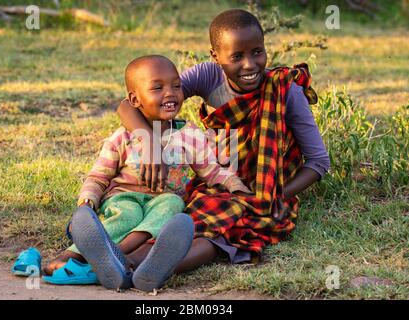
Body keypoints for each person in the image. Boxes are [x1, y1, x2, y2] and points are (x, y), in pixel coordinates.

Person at [115, 9, 330, 271]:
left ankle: (132, 265)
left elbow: (319, 161)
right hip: (215, 177)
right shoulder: (209, 76)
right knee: (188, 218)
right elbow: (128, 105)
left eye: (257, 52)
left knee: (223, 231)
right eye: (237, 56)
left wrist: (273, 196)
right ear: (215, 57)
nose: (250, 64)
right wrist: (149, 144)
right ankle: (119, 261)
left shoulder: (285, 89)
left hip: (265, 188)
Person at [44, 55, 252, 291]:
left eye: (176, 86)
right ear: (135, 99)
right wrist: (87, 200)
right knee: (127, 215)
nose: (170, 93)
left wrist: (234, 183)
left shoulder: (189, 135)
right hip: (123, 197)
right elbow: (98, 176)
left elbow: (211, 171)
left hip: (162, 200)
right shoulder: (122, 137)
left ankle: (116, 257)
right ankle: (70, 256)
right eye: (157, 88)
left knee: (172, 204)